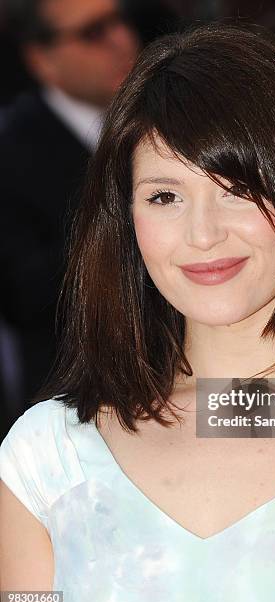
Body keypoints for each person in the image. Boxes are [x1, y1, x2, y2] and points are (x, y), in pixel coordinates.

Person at [1, 21, 275, 602]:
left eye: (236, 188)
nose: (203, 234)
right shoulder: (49, 454)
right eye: (165, 196)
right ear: (126, 222)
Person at [0, 0, 140, 431]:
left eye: (120, 19)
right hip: (79, 406)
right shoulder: (11, 153)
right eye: (93, 32)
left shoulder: (165, 117)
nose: (122, 40)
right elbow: (24, 293)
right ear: (41, 60)